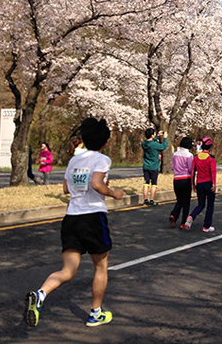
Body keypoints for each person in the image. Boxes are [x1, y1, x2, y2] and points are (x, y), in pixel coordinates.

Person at [24, 117, 125, 328]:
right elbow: (97, 184)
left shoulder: (74, 161)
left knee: (68, 271)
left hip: (71, 218)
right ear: (104, 142)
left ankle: (40, 294)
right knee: (101, 267)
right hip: (93, 217)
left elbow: (66, 189)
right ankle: (95, 313)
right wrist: (114, 193)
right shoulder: (102, 159)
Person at [187, 137, 217, 232]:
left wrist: (193, 184)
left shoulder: (196, 157)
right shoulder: (211, 158)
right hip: (208, 183)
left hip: (199, 183)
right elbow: (213, 171)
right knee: (210, 205)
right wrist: (214, 184)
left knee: (201, 204)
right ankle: (206, 226)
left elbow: (192, 172)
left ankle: (191, 216)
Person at [169, 137, 194, 229]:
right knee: (186, 201)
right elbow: (191, 168)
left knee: (179, 200)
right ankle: (183, 222)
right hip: (186, 179)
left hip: (176, 179)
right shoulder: (189, 155)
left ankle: (173, 215)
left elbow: (172, 167)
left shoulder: (175, 154)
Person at [141, 128, 167, 206]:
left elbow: (150, 141)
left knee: (146, 183)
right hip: (154, 166)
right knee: (154, 183)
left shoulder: (143, 143)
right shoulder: (155, 145)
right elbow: (164, 146)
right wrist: (165, 138)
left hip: (146, 166)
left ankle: (145, 199)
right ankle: (152, 200)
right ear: (152, 135)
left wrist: (157, 136)